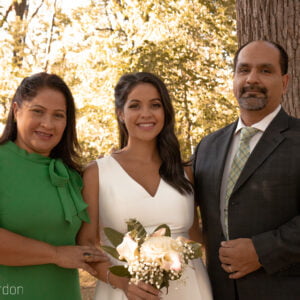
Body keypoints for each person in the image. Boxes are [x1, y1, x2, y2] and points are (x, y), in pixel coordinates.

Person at [77, 72, 213, 299]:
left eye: (155, 105)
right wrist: (123, 283)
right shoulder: (97, 173)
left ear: (165, 112)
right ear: (120, 113)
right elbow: (86, 243)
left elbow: (197, 237)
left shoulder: (185, 171)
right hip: (124, 292)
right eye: (135, 106)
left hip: (190, 289)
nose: (146, 114)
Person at [193, 40, 300, 300]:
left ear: (284, 82)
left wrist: (262, 251)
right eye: (244, 70)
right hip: (220, 292)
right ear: (234, 79)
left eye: (265, 70)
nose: (252, 79)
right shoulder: (208, 146)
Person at [0, 72, 107, 300]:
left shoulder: (71, 176)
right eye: (38, 111)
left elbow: (88, 244)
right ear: (16, 110)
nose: (48, 124)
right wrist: (56, 254)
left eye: (58, 115)